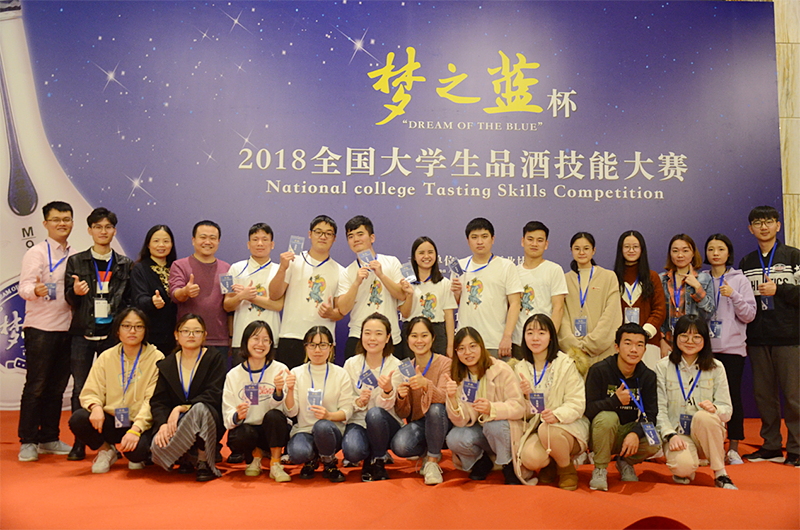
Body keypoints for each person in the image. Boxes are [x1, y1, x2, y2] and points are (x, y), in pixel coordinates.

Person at [65, 207, 133, 461]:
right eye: (98, 227)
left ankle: (113, 441)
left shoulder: (125, 264)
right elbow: (68, 298)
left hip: (113, 336)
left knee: (114, 390)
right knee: (81, 389)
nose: (103, 231)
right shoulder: (77, 261)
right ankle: (79, 442)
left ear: (114, 231)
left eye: (108, 227)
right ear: (90, 230)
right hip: (82, 333)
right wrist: (76, 293)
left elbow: (129, 300)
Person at [738, 206, 800, 467]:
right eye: (757, 222)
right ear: (750, 228)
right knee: (764, 396)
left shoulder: (794, 256)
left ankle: (797, 448)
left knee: (794, 397)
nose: (763, 227)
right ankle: (771, 445)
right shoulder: (747, 262)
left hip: (789, 337)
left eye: (768, 221)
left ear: (778, 225)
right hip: (757, 338)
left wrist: (780, 290)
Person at [68, 307, 163, 473]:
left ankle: (136, 452)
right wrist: (95, 407)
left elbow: (152, 400)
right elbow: (91, 390)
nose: (132, 331)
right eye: (126, 326)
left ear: (145, 330)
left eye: (138, 326)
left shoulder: (156, 358)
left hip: (140, 423)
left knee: (136, 454)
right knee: (79, 419)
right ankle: (106, 450)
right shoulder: (107, 356)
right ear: (118, 330)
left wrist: (136, 429)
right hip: (113, 419)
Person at [18, 201, 75, 462]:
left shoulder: (75, 255)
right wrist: (35, 290)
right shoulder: (37, 253)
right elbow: (24, 287)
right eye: (56, 219)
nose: (62, 224)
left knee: (57, 388)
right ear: (45, 223)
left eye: (66, 219)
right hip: (40, 328)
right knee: (36, 386)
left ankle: (49, 437)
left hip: (68, 329)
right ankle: (28, 441)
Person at [656, 315, 736, 489]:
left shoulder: (716, 367)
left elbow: (727, 410)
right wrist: (670, 435)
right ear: (675, 337)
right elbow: (659, 410)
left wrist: (715, 409)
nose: (690, 341)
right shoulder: (663, 367)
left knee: (704, 416)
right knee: (682, 468)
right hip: (678, 434)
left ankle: (720, 473)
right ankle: (688, 466)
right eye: (684, 336)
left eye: (696, 337)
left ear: (705, 339)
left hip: (707, 432)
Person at [512, 314, 589, 490]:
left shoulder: (566, 364)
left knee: (548, 429)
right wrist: (528, 396)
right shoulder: (520, 368)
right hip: (536, 427)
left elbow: (577, 403)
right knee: (530, 458)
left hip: (568, 426)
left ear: (551, 337)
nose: (535, 338)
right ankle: (553, 462)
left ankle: (566, 469)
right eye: (530, 333)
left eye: (541, 333)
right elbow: (520, 410)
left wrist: (556, 415)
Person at [150, 314, 226, 482]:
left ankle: (203, 460)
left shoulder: (214, 358)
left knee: (199, 409)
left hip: (209, 418)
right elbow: (158, 401)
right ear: (176, 335)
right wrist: (162, 424)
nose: (191, 335)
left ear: (204, 335)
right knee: (157, 448)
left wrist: (181, 408)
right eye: (186, 331)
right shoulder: (167, 364)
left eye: (197, 331)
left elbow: (215, 393)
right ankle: (186, 455)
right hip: (176, 424)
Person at [585, 323, 660, 491]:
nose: (634, 350)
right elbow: (588, 409)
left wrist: (635, 433)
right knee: (608, 417)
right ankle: (600, 469)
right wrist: (614, 401)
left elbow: (651, 414)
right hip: (599, 432)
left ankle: (625, 461)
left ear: (645, 350)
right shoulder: (599, 370)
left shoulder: (648, 376)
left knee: (654, 440)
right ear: (617, 347)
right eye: (628, 343)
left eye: (639, 345)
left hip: (626, 431)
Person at [445, 327, 525, 484]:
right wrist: (452, 399)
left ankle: (508, 464)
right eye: (461, 348)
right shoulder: (459, 376)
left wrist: (492, 409)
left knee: (493, 426)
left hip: (502, 430)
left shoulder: (501, 369)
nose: (468, 352)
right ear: (456, 352)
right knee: (454, 438)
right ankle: (481, 461)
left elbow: (519, 406)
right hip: (479, 431)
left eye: (472, 346)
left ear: (481, 346)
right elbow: (461, 421)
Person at [704, 234, 756, 465]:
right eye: (711, 249)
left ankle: (733, 447)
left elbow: (749, 315)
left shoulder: (740, 279)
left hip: (733, 349)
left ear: (728, 252)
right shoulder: (702, 278)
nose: (715, 253)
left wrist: (733, 295)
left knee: (732, 396)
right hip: (705, 349)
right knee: (705, 398)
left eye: (720, 249)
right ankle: (710, 445)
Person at [268, 215, 342, 369]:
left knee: (322, 383)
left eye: (328, 233)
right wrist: (282, 268)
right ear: (310, 234)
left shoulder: (340, 270)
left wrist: (331, 313)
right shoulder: (292, 261)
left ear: (334, 238)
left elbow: (340, 313)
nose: (323, 237)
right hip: (291, 336)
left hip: (323, 342)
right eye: (318, 232)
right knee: (288, 382)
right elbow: (274, 295)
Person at [222, 321, 292, 482]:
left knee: (274, 416)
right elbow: (227, 414)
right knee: (240, 435)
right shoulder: (233, 375)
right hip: (249, 430)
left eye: (266, 340)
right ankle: (255, 457)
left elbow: (287, 412)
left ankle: (275, 463)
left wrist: (278, 392)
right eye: (255, 338)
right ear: (245, 342)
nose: (261, 344)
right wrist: (237, 415)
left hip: (272, 431)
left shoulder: (280, 370)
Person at [285, 326, 354, 482]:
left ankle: (329, 462)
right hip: (304, 430)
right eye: (312, 345)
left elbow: (347, 411)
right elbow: (291, 412)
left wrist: (329, 415)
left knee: (322, 426)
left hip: (331, 431)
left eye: (322, 345)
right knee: (297, 453)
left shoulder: (341, 373)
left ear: (331, 347)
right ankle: (312, 459)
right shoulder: (296, 373)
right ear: (306, 347)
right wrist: (290, 390)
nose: (317, 350)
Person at [335, 215, 407, 360]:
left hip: (391, 337)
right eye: (351, 236)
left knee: (394, 375)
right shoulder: (347, 272)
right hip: (358, 337)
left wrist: (381, 275)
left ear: (372, 237)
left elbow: (402, 295)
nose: (355, 239)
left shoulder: (391, 262)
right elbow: (342, 309)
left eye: (360, 234)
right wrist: (356, 283)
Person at [391, 316, 452, 485]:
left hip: (443, 420)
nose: (419, 341)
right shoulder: (405, 368)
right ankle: (429, 450)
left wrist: (426, 384)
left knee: (435, 409)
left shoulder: (445, 363)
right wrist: (401, 397)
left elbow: (444, 399)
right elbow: (403, 413)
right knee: (400, 445)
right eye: (414, 336)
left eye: (424, 335)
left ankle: (432, 462)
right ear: (408, 339)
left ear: (433, 338)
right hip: (420, 423)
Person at [342, 313, 402, 481]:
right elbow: (344, 399)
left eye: (378, 333)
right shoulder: (351, 364)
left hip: (385, 423)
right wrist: (358, 401)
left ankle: (377, 460)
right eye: (367, 333)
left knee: (374, 414)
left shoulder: (397, 366)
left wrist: (388, 391)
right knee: (352, 451)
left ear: (388, 337)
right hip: (358, 421)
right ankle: (371, 453)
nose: (372, 338)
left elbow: (393, 406)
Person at [451, 218, 522, 360]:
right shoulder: (458, 266)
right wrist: (456, 293)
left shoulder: (506, 266)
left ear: (493, 239)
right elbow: (453, 304)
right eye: (474, 237)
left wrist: (507, 336)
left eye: (484, 236)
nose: (479, 242)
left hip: (495, 342)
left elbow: (515, 303)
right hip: (466, 343)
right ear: (468, 240)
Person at [168, 220, 231, 364]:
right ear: (193, 240)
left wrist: (231, 337)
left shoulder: (227, 269)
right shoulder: (179, 265)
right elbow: (175, 294)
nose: (207, 242)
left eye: (212, 238)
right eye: (203, 237)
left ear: (218, 241)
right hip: (188, 339)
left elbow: (229, 305)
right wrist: (185, 291)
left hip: (219, 340)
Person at [558, 232, 622, 366]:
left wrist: (591, 344)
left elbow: (612, 315)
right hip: (573, 355)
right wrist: (574, 345)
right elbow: (561, 315)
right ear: (571, 251)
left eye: (586, 248)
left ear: (593, 250)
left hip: (603, 351)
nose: (581, 252)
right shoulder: (564, 279)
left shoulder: (609, 277)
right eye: (577, 248)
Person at [224, 223, 284, 361]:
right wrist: (240, 296)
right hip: (241, 339)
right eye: (255, 239)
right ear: (248, 244)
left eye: (265, 239)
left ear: (272, 244)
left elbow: (278, 305)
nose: (260, 243)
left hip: (270, 340)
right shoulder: (235, 268)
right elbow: (227, 305)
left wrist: (249, 297)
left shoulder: (280, 270)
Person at [512, 221, 568, 359]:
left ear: (546, 244)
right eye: (530, 239)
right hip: (519, 342)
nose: (534, 244)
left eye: (540, 240)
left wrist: (549, 339)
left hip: (544, 343)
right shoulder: (513, 272)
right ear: (522, 241)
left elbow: (558, 308)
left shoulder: (554, 270)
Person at [613, 230, 666, 370]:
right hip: (620, 344)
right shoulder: (612, 278)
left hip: (648, 343)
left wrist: (643, 334)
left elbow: (659, 310)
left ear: (642, 249)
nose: (631, 250)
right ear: (620, 250)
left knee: (648, 380)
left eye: (635, 247)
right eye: (627, 247)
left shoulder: (652, 277)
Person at [398, 236, 456, 359]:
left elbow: (449, 316)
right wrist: (409, 294)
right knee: (411, 369)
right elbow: (405, 314)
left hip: (437, 333)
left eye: (430, 252)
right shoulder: (405, 283)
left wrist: (450, 345)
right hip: (411, 332)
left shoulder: (444, 283)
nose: (426, 256)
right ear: (414, 257)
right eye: (421, 253)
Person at [659, 234, 714, 358]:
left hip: (692, 343)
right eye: (675, 251)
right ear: (670, 254)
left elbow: (708, 313)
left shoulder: (704, 279)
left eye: (685, 250)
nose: (680, 255)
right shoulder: (661, 279)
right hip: (667, 343)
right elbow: (656, 313)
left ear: (693, 253)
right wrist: (660, 340)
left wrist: (697, 288)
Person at [130, 225, 178, 356]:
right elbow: (138, 299)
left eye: (166, 241)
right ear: (148, 244)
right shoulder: (140, 269)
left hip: (174, 335)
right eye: (156, 241)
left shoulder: (177, 267)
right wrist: (152, 302)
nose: (161, 245)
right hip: (150, 334)